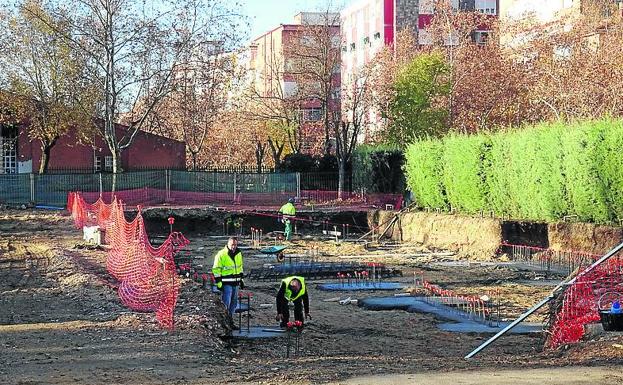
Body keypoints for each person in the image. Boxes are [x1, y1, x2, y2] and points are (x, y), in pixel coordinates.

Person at [212, 237, 244, 321]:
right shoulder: (221, 254)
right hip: (226, 282)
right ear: (228, 244)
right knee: (226, 302)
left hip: (236, 282)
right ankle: (225, 320)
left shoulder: (238, 253)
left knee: (234, 302)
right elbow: (216, 269)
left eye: (235, 245)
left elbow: (240, 267)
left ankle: (230, 319)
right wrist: (218, 282)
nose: (234, 246)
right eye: (232, 245)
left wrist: (241, 279)